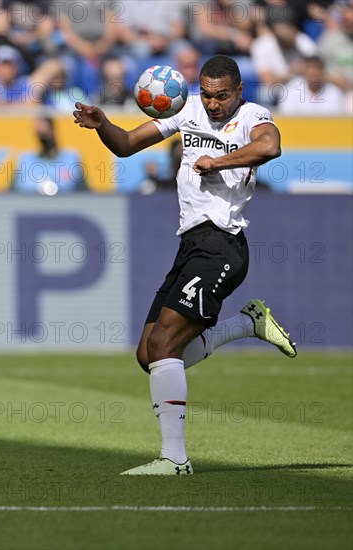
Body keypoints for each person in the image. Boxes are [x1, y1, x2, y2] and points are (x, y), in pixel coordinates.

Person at [73, 55, 297, 476]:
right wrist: (102, 123)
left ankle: (175, 459)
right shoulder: (185, 108)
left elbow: (271, 146)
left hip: (222, 246)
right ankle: (247, 324)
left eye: (222, 96)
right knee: (148, 354)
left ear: (239, 91)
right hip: (191, 244)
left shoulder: (252, 116)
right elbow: (124, 145)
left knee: (164, 347)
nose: (213, 104)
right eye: (208, 95)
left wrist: (220, 162)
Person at [277, 55, 345, 115]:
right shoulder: (291, 89)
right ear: (304, 70)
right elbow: (287, 116)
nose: (313, 72)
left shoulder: (334, 92)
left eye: (317, 68)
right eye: (310, 68)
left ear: (322, 71)